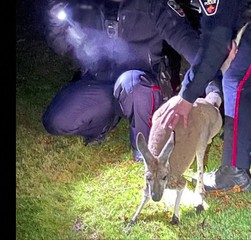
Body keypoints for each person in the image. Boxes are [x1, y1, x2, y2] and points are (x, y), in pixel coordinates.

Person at [160, 0, 251, 192]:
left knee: (237, 80)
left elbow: (215, 42)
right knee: (244, 74)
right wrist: (229, 38)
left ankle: (235, 170)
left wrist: (187, 96)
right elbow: (225, 17)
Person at [42, 0, 201, 162]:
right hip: (103, 82)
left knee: (133, 84)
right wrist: (55, 23)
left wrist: (208, 86)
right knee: (56, 121)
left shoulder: (155, 4)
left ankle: (145, 149)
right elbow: (61, 47)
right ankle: (103, 123)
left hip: (144, 84)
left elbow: (189, 44)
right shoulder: (85, 4)